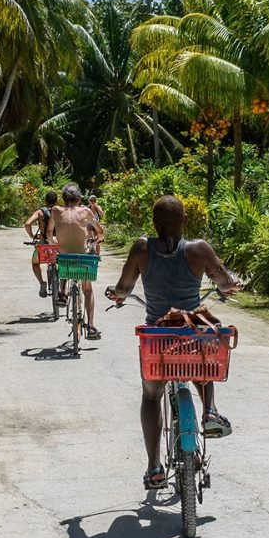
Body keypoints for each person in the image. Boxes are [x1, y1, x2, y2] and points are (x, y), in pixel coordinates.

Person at [106, 195, 241, 490]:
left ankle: (155, 467)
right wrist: (230, 287)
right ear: (185, 221)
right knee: (206, 354)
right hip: (191, 332)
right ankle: (209, 410)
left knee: (151, 396)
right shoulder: (199, 249)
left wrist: (115, 294)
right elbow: (225, 282)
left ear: (154, 223)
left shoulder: (142, 248)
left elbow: (124, 288)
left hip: (159, 337)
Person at [51, 184, 105, 339]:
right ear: (80, 198)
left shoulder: (55, 211)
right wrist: (96, 241)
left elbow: (49, 233)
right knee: (87, 289)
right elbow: (100, 231)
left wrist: (53, 241)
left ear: (63, 199)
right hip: (83, 257)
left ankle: (62, 292)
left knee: (62, 260)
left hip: (65, 256)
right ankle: (92, 326)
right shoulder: (86, 211)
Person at [23, 190, 59, 298]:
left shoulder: (40, 212)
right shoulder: (60, 212)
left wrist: (32, 236)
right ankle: (61, 284)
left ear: (45, 200)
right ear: (57, 201)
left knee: (35, 263)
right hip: (58, 243)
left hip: (44, 244)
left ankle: (42, 282)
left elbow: (27, 224)